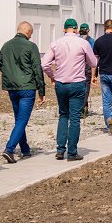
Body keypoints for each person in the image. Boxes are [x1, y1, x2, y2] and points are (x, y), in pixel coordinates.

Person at [42, 18, 97, 161]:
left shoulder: (55, 43)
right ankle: (72, 152)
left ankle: (60, 150)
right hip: (77, 83)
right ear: (77, 30)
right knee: (74, 118)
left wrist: (52, 76)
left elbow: (45, 64)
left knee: (63, 115)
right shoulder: (83, 43)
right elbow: (93, 62)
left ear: (64, 29)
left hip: (61, 83)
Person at [0, 21, 46, 164]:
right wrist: (41, 91)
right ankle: (9, 149)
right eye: (31, 33)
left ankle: (25, 149)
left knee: (19, 119)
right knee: (22, 120)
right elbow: (37, 69)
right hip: (27, 88)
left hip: (12, 88)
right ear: (27, 32)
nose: (31, 36)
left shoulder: (6, 45)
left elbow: (1, 63)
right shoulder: (31, 46)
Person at [79, 23, 96, 118]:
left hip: (77, 68)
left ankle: (83, 108)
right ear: (88, 31)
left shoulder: (76, 39)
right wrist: (94, 73)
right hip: (87, 68)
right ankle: (82, 110)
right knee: (86, 89)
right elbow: (93, 56)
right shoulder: (91, 41)